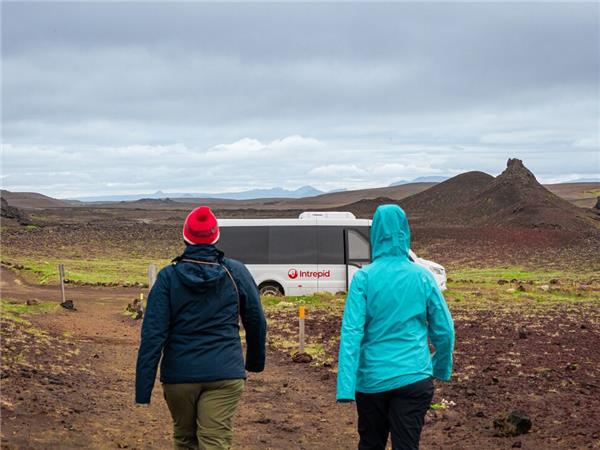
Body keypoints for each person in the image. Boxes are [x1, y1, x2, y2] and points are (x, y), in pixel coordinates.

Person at [135, 206, 267, 450]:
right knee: (215, 442)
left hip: (179, 375)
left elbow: (153, 334)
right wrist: (254, 362)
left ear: (185, 236)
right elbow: (256, 320)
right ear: (216, 236)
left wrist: (143, 387)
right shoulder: (235, 272)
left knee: (185, 439)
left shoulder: (168, 277)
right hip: (225, 373)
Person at [336, 204, 454, 450]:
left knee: (371, 443)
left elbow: (351, 333)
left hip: (372, 382)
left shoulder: (363, 278)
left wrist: (346, 385)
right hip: (414, 376)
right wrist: (439, 367)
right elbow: (444, 330)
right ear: (405, 232)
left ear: (375, 235)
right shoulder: (422, 277)